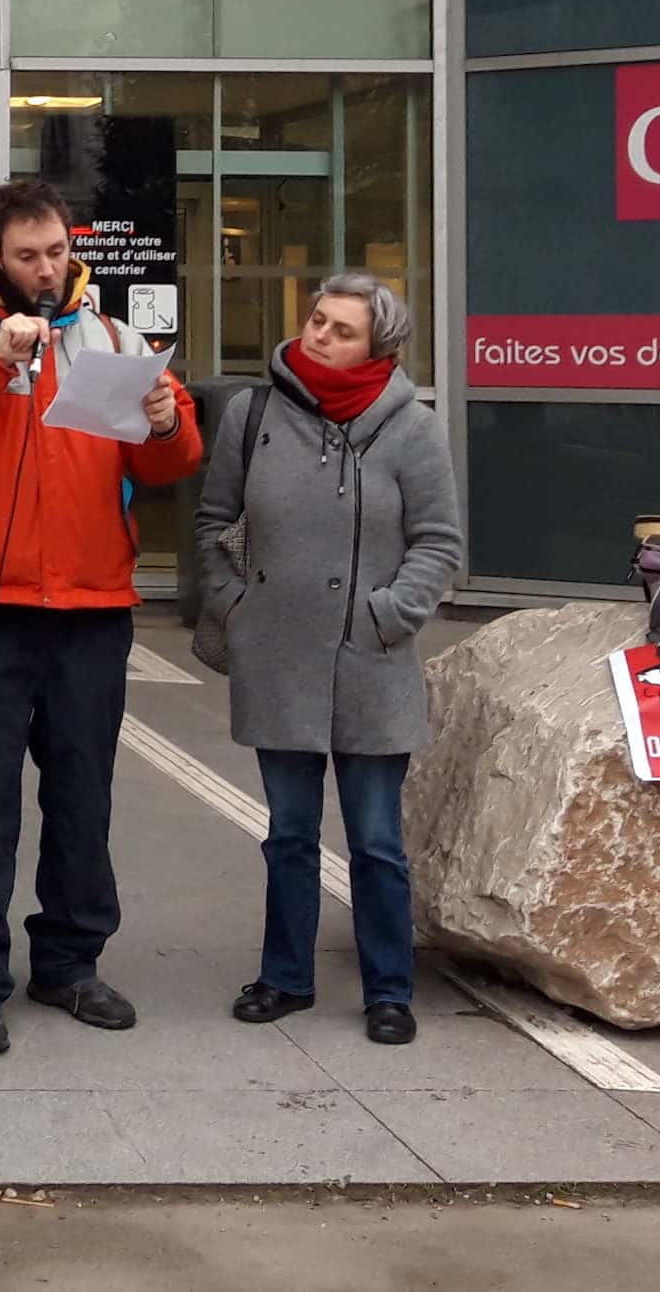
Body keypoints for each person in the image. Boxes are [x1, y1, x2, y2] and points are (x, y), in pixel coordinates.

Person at [0, 179, 201, 1057]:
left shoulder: (114, 337)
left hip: (92, 604)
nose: (46, 269)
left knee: (82, 793)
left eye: (57, 251)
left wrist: (165, 420)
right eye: (27, 255)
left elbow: (177, 457)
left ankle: (70, 963)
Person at [195, 273, 463, 1048]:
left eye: (342, 330)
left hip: (371, 659)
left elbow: (439, 542)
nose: (319, 337)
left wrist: (388, 615)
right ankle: (284, 977)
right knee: (288, 829)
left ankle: (388, 988)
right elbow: (215, 519)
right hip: (278, 653)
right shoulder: (254, 414)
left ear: (378, 347)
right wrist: (235, 607)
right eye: (317, 320)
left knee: (376, 838)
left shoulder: (414, 428)